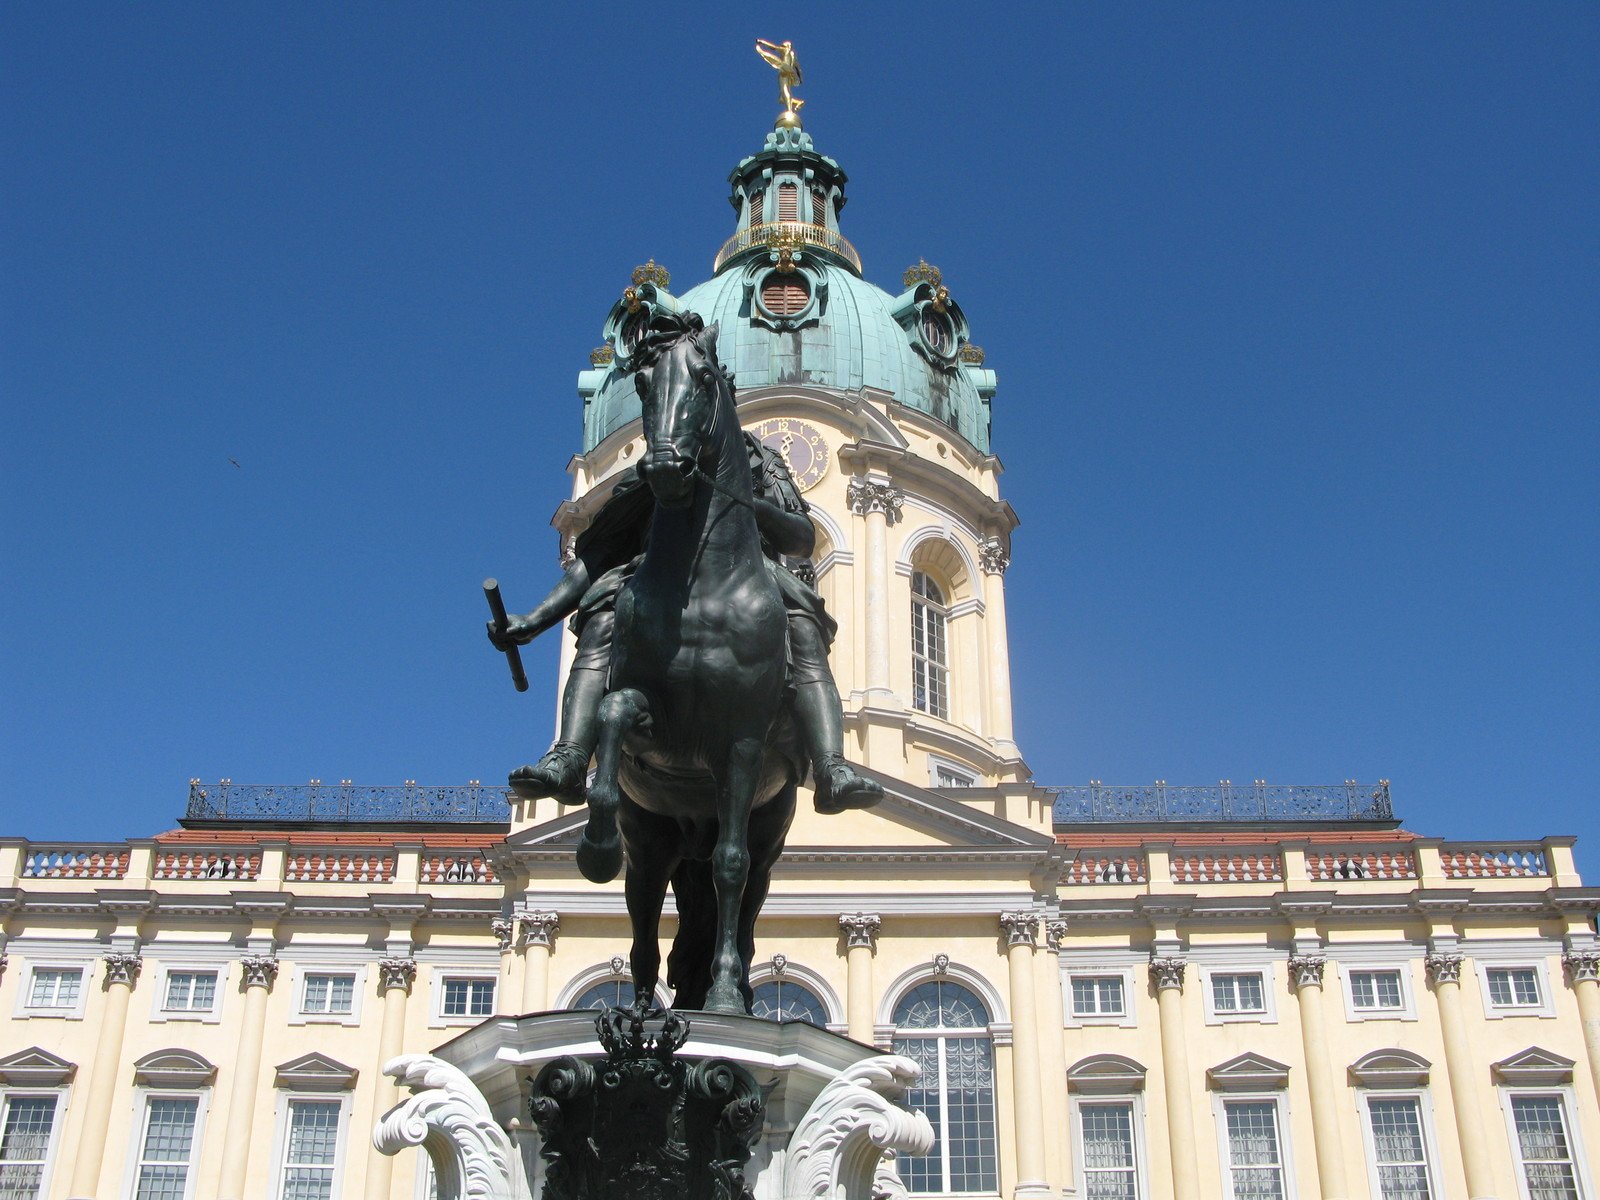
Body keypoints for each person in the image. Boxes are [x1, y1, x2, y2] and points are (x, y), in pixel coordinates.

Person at [489, 432, 883, 816]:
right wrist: (537, 618)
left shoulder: (757, 458)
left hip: (746, 571)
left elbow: (800, 538)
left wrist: (753, 506)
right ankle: (572, 755)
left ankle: (829, 764)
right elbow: (599, 557)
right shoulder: (655, 463)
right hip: (652, 575)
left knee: (802, 621)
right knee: (602, 612)